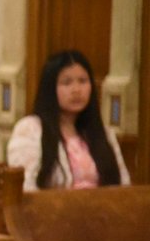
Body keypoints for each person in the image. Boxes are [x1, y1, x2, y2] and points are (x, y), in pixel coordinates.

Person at [7, 49, 130, 191]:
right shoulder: (30, 129)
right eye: (66, 83)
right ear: (50, 89)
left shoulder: (104, 133)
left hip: (103, 211)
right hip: (52, 211)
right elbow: (25, 187)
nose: (76, 90)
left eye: (83, 81)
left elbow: (122, 185)